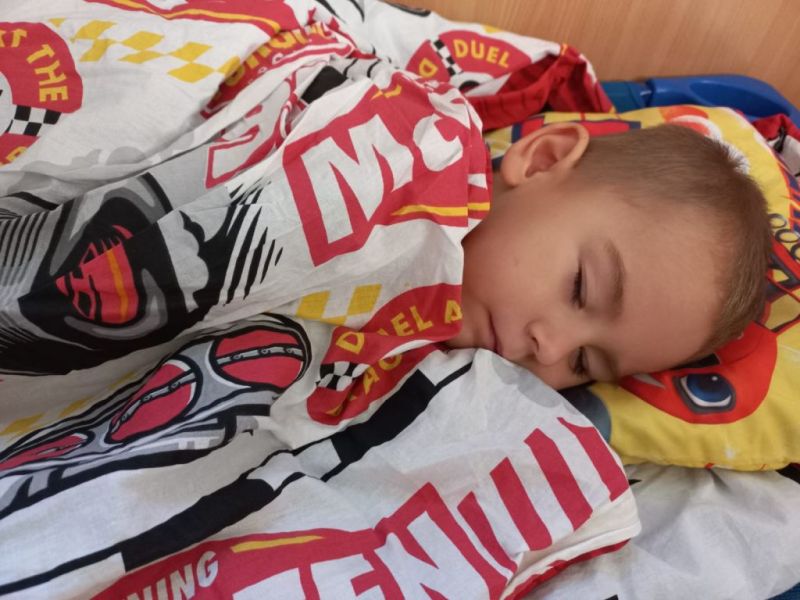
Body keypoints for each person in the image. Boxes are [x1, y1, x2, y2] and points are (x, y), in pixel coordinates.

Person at [446, 122, 772, 389]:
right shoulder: (423, 153)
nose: (550, 351)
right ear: (541, 162)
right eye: (579, 288)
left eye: (582, 362)